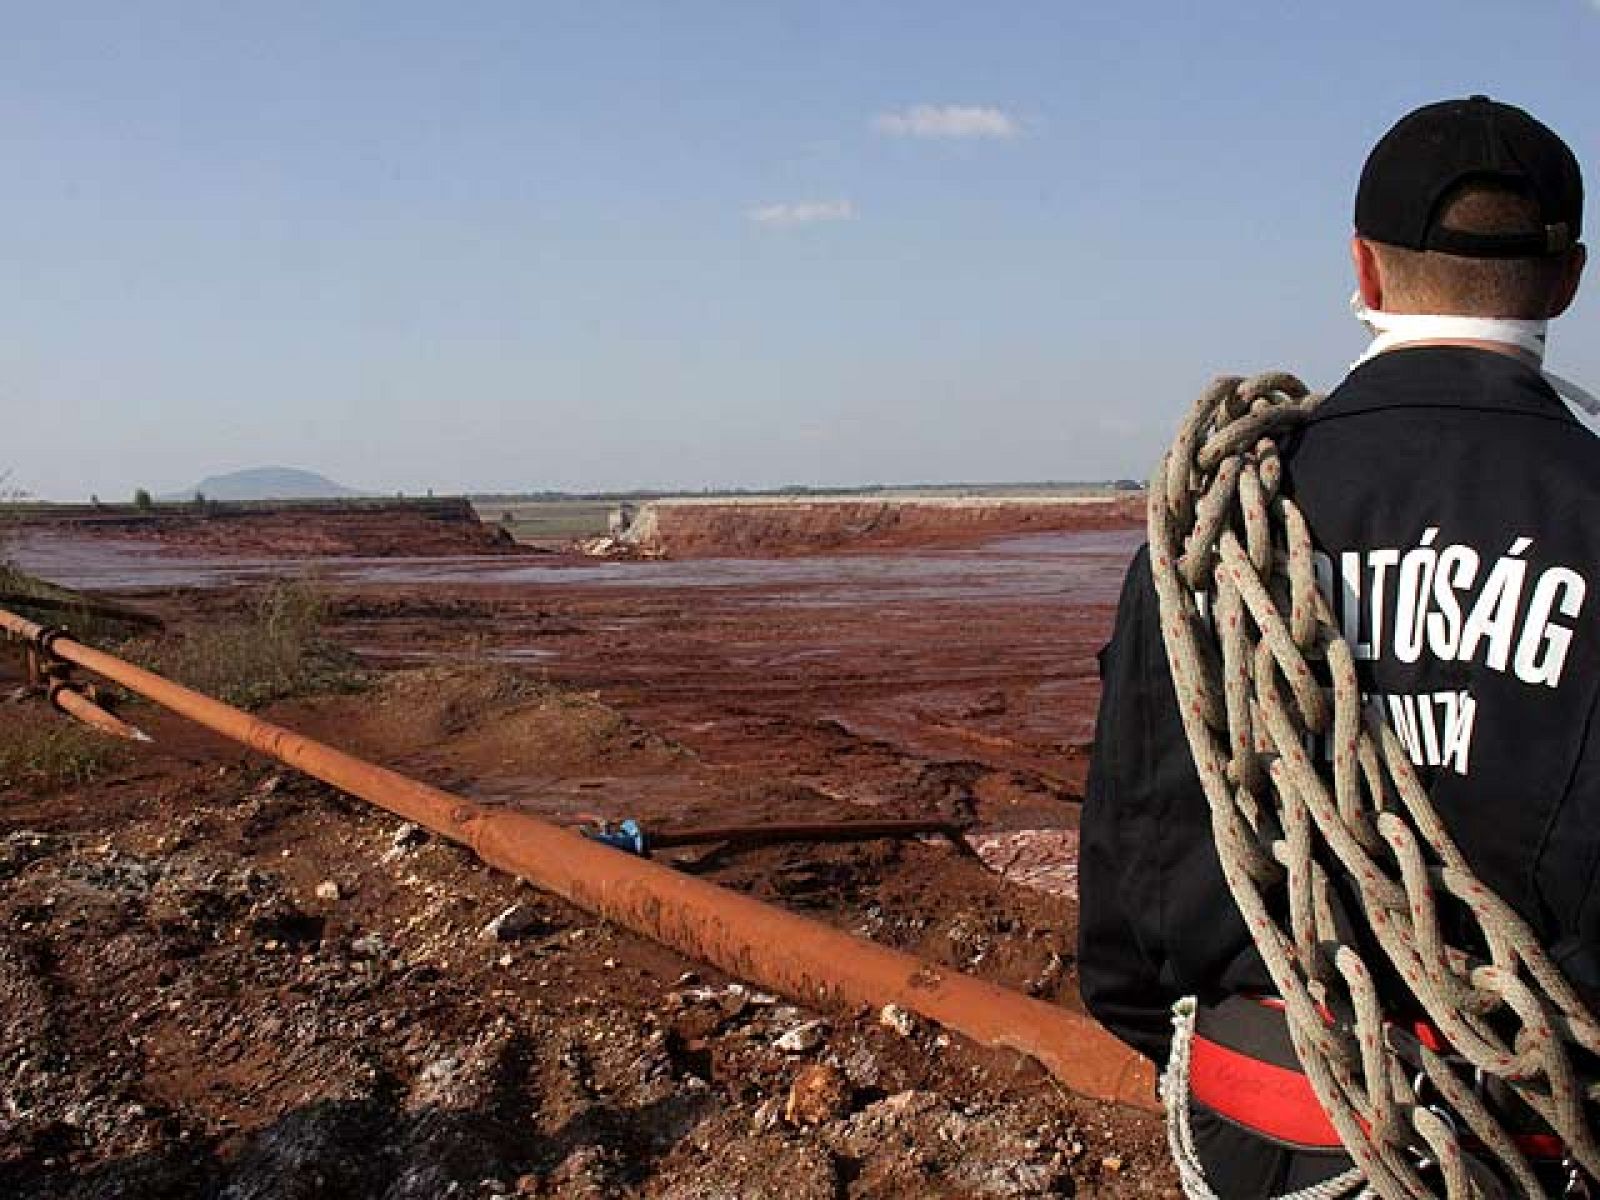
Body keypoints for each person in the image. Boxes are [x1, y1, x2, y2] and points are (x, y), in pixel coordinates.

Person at [1077, 95, 1593, 1196]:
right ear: (1568, 279)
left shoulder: (1211, 540)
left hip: (1265, 1139)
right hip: (1533, 1152)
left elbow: (1125, 916)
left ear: (1361, 271)